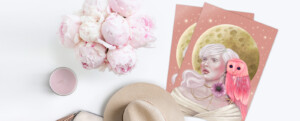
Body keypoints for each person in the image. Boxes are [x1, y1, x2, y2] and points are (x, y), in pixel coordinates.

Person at [171, 44, 242, 121]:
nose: (205, 64)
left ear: (228, 67)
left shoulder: (231, 111)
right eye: (204, 59)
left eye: (214, 60)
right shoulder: (181, 92)